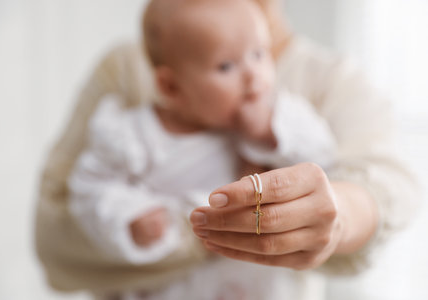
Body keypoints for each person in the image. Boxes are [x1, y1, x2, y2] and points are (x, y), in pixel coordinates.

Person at [35, 0, 418, 299]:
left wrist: (271, 131)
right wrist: (133, 216)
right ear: (170, 88)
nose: (254, 77)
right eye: (226, 66)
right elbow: (82, 196)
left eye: (259, 55)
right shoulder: (130, 125)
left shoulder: (293, 107)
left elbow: (365, 176)